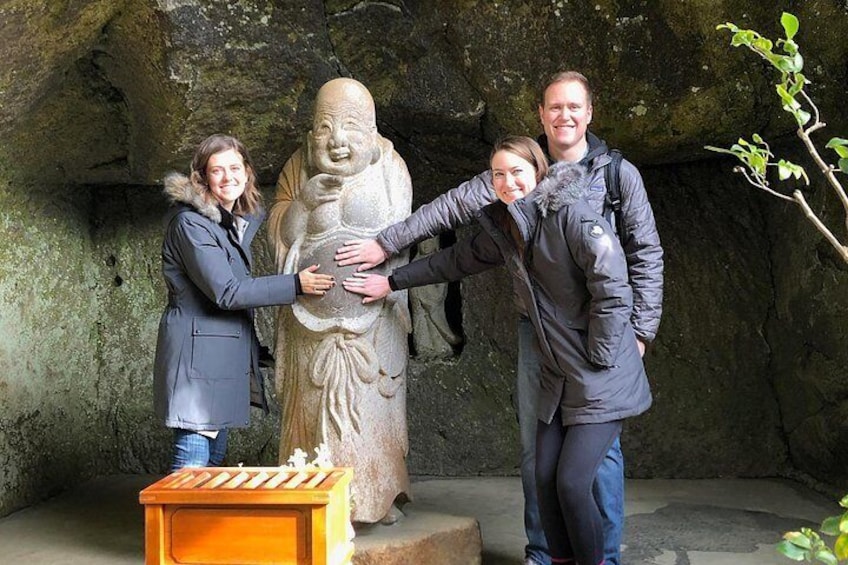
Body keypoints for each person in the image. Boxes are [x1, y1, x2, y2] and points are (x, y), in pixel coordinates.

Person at [335, 71, 663, 565]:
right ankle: (545, 551)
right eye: (554, 107)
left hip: (599, 334)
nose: (564, 116)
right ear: (540, 115)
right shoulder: (517, 168)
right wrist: (386, 248)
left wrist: (637, 332)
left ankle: (604, 555)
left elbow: (643, 256)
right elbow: (451, 225)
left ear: (589, 113)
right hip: (543, 336)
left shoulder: (615, 176)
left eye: (574, 106)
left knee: (596, 461)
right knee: (539, 451)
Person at [266, 78, 413, 525]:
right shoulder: (298, 169)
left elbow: (404, 233)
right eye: (325, 127)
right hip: (309, 320)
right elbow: (278, 234)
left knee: (370, 410)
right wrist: (302, 205)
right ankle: (311, 498)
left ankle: (377, 495)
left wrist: (382, 261)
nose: (338, 140)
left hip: (371, 321)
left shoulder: (390, 167)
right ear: (312, 135)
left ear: (371, 133)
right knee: (312, 414)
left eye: (350, 126)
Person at [153, 133, 335, 472]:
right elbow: (228, 292)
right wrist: (295, 284)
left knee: (213, 464)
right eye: (217, 170)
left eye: (235, 167)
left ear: (247, 172)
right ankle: (179, 527)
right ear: (202, 177)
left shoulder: (227, 225)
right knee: (192, 468)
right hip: (199, 363)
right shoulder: (191, 225)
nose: (228, 177)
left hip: (216, 360)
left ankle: (195, 526)